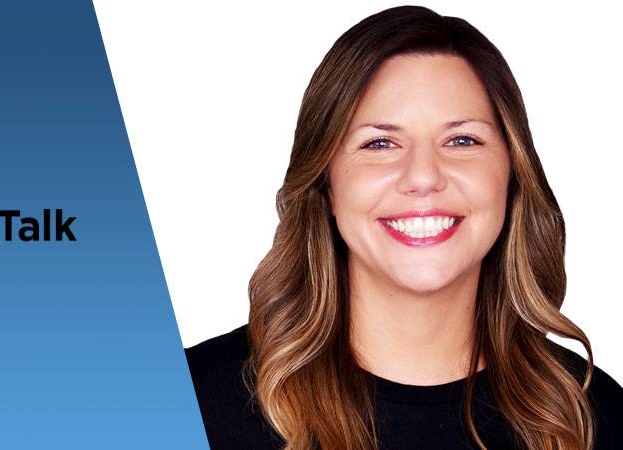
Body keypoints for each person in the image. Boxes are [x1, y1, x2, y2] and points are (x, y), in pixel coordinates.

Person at [184, 5, 623, 450]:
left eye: (462, 140)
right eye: (380, 143)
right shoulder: (189, 406)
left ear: (511, 176)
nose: (423, 177)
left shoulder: (592, 416)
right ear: (327, 184)